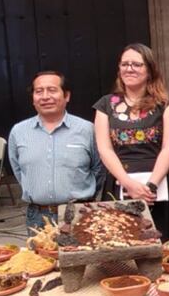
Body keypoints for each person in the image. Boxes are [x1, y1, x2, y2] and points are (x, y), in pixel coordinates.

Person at [93, 43, 169, 241]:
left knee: (165, 242)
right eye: (125, 64)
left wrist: (150, 187)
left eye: (137, 64)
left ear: (150, 70)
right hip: (120, 184)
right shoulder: (105, 104)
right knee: (123, 243)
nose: (129, 69)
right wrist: (129, 184)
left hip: (160, 185)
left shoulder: (168, 103)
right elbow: (105, 149)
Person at [8, 71, 103, 232]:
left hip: (79, 214)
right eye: (39, 91)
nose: (45, 97)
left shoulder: (87, 129)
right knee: (40, 258)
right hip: (38, 217)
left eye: (52, 90)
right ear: (33, 98)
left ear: (66, 96)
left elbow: (99, 169)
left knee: (80, 257)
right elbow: (19, 170)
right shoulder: (19, 132)